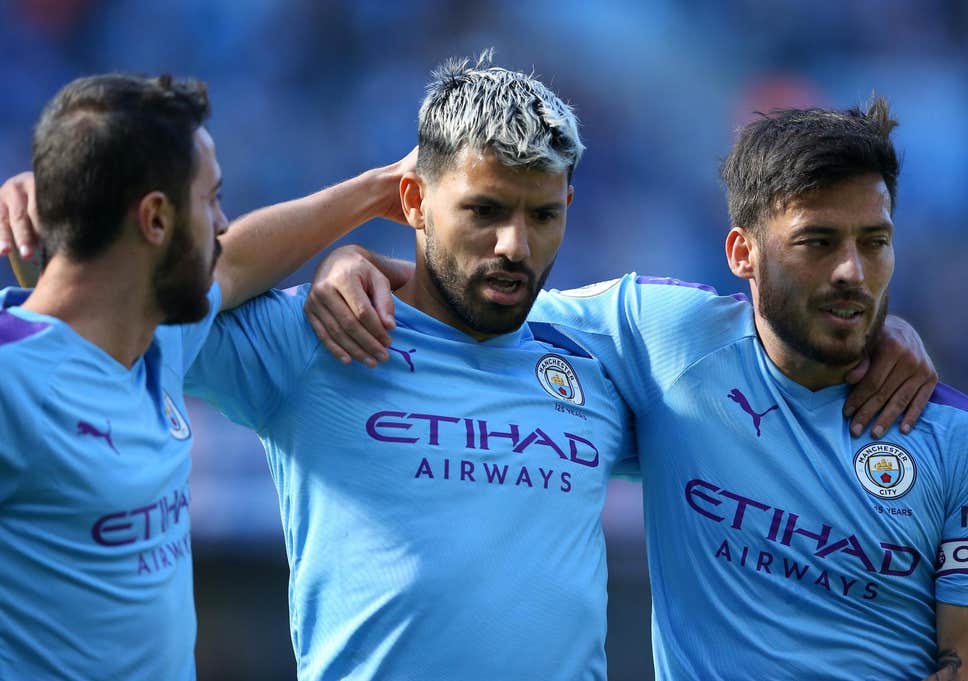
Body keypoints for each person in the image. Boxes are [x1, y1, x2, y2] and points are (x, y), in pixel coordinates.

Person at [316, 97, 966, 679]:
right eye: (817, 242)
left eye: (874, 243)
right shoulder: (667, 339)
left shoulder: (952, 441)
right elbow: (481, 297)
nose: (852, 271)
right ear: (742, 254)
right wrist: (359, 264)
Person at [0, 73, 411, 680]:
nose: (223, 224)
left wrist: (380, 190)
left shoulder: (155, 335)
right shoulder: (14, 380)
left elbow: (239, 259)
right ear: (156, 220)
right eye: (210, 200)